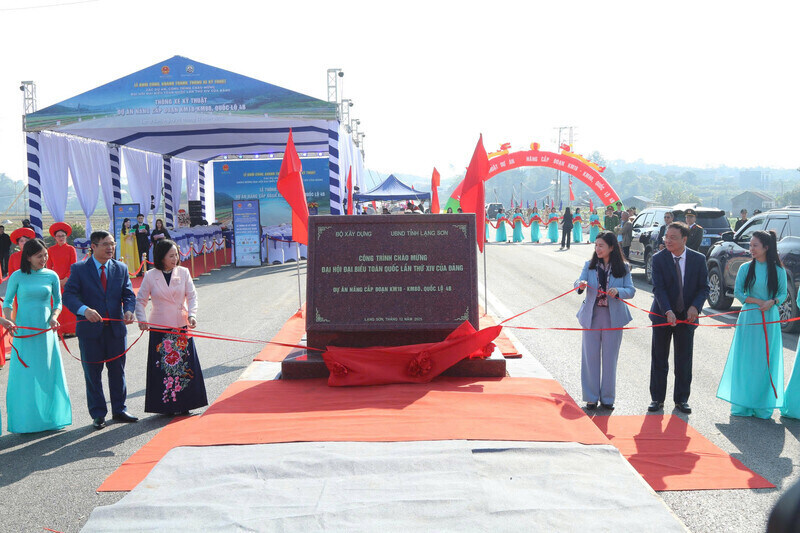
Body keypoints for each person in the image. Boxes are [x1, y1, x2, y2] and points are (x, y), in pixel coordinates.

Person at [63, 230, 138, 430]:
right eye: (105, 244)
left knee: (117, 371)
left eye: (112, 244)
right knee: (93, 373)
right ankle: (98, 414)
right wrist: (83, 310)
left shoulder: (120, 268)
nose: (110, 248)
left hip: (115, 330)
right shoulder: (79, 269)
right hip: (90, 331)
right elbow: (69, 296)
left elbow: (128, 295)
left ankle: (119, 409)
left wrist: (129, 311)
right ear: (93, 246)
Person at [1, 238, 71, 433]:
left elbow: (58, 301)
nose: (44, 259)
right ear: (28, 257)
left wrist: (54, 317)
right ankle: (26, 421)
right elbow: (7, 302)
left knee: (47, 373)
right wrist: (9, 320)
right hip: (23, 331)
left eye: (45, 255)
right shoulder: (17, 276)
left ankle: (51, 418)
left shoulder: (51, 276)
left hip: (45, 332)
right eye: (39, 256)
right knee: (26, 376)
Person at [717, 230, 786, 418]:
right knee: (746, 359)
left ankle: (762, 405)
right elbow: (739, 292)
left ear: (766, 247)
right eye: (750, 245)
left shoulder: (778, 270)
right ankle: (742, 404)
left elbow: (782, 293)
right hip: (749, 318)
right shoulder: (745, 268)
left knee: (765, 360)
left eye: (755, 245)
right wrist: (757, 302)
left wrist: (772, 302)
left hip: (769, 319)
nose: (751, 249)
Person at [136, 239, 207, 414]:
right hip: (159, 327)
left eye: (176, 254)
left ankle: (185, 404)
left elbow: (192, 296)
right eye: (171, 255)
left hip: (180, 324)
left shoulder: (183, 272)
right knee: (162, 367)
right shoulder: (151, 276)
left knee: (184, 366)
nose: (175, 258)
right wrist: (141, 319)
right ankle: (165, 405)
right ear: (161, 257)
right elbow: (141, 300)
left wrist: (192, 314)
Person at [648, 222, 710, 414]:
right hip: (662, 315)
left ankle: (681, 399)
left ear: (684, 239)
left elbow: (704, 288)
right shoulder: (658, 259)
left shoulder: (698, 259)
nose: (668, 240)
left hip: (687, 318)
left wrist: (695, 307)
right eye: (666, 237)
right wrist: (667, 310)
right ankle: (657, 399)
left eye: (673, 238)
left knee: (683, 360)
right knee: (659, 358)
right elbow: (659, 288)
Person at [575, 231, 636, 410]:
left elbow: (631, 290)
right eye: (596, 245)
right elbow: (579, 281)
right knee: (590, 357)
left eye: (601, 245)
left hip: (613, 317)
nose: (597, 248)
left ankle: (608, 398)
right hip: (592, 316)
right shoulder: (590, 265)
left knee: (610, 358)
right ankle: (591, 397)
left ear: (611, 247)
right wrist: (581, 285)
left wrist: (619, 292)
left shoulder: (623, 267)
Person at [46, 222, 78, 336]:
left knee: (68, 305)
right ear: (55, 237)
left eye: (63, 236)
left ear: (66, 236)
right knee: (56, 304)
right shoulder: (50, 250)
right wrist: (56, 280)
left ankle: (71, 329)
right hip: (55, 281)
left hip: (69, 280)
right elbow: (48, 266)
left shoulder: (71, 249)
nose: (61, 238)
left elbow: (73, 265)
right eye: (58, 236)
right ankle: (59, 330)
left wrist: (66, 279)